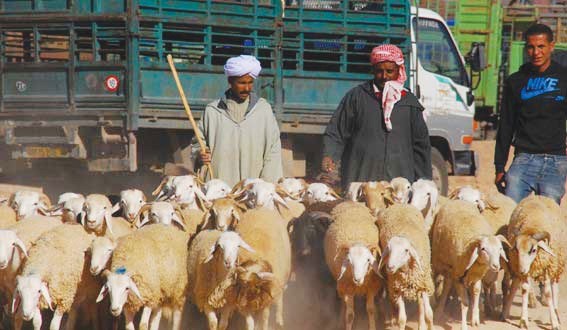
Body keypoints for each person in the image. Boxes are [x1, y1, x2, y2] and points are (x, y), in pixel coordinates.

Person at [321, 44, 432, 189]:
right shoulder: (357, 97)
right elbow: (336, 131)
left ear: (399, 71)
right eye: (379, 71)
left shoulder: (409, 103)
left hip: (398, 184)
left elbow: (421, 146)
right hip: (361, 178)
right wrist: (329, 154)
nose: (384, 76)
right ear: (373, 71)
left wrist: (424, 181)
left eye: (389, 71)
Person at [494, 24, 567, 204]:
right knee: (511, 215)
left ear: (551, 46)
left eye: (541, 46)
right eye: (531, 47)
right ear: (526, 48)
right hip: (523, 160)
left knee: (547, 222)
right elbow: (506, 125)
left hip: (555, 162)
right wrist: (499, 166)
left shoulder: (564, 78)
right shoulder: (515, 81)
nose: (536, 52)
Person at [194, 55, 283, 186]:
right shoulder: (212, 111)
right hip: (220, 188)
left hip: (252, 190)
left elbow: (273, 150)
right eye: (242, 83)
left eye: (250, 83)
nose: (247, 88)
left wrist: (265, 185)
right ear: (230, 81)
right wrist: (200, 154)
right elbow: (198, 143)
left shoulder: (263, 110)